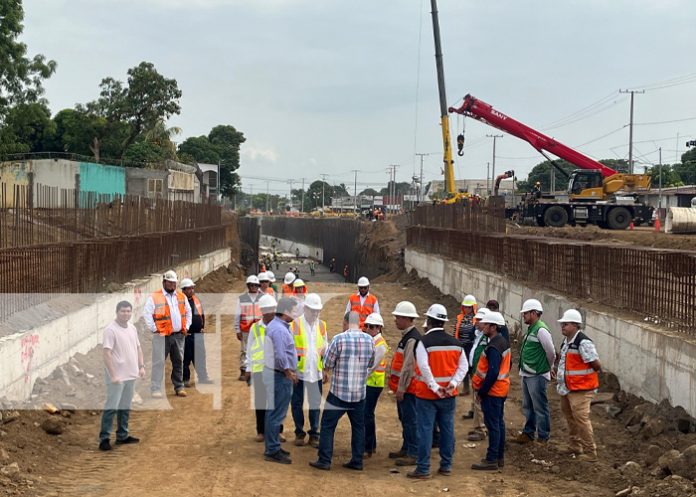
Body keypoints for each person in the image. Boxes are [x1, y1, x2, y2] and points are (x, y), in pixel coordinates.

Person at [408, 304, 469, 479]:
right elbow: (464, 366)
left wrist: (435, 387)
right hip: (449, 395)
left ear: (429, 320)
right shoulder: (456, 343)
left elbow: (424, 368)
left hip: (427, 395)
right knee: (447, 429)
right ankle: (446, 465)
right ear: (443, 322)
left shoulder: (423, 343)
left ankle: (423, 468)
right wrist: (453, 383)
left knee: (426, 431)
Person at [309, 311, 375, 471]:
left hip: (339, 393)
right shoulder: (369, 340)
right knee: (358, 427)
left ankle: (325, 460)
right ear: (359, 323)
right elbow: (370, 363)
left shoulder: (339, 339)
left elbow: (328, 363)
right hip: (359, 393)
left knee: (327, 425)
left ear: (345, 322)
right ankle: (357, 461)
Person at [555, 309, 601, 462]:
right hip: (568, 388)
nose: (562, 326)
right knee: (570, 417)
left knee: (581, 418)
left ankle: (590, 451)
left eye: (565, 324)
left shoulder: (583, 342)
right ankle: (575, 445)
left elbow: (596, 364)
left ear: (575, 325)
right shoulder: (567, 341)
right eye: (562, 324)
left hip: (581, 389)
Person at [99, 301, 144, 451]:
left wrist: (141, 366)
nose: (126, 314)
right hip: (117, 377)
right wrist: (113, 375)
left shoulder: (132, 328)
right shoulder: (110, 330)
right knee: (111, 407)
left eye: (128, 311)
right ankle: (104, 438)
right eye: (123, 311)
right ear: (117, 312)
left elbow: (138, 348)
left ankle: (122, 435)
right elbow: (107, 353)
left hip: (131, 374)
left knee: (125, 406)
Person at [471, 311, 511, 471]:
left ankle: (492, 459)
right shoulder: (502, 342)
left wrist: (482, 392)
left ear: (493, 327)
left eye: (486, 324)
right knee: (498, 424)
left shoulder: (494, 346)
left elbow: (493, 372)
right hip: (500, 390)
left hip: (492, 392)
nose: (483, 326)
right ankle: (498, 457)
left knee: (493, 425)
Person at [144, 270, 192, 398]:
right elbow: (147, 314)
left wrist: (186, 326)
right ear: (164, 282)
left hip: (178, 335)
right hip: (161, 336)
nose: (172, 285)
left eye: (174, 283)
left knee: (178, 361)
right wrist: (154, 329)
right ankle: (156, 388)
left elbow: (188, 312)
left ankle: (179, 386)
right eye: (169, 283)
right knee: (158, 362)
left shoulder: (181, 297)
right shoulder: (155, 297)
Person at [244, 295, 285, 443]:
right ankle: (261, 431)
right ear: (263, 311)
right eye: (269, 310)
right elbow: (249, 349)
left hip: (276, 370)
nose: (272, 313)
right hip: (259, 369)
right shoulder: (255, 328)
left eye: (273, 310)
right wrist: (248, 368)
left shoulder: (280, 327)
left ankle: (278, 431)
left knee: (277, 402)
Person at [263, 298, 299, 464]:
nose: (295, 313)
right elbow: (280, 355)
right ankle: (272, 449)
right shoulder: (279, 330)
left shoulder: (278, 326)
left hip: (276, 374)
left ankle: (273, 445)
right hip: (279, 375)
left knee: (274, 411)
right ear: (285, 312)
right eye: (293, 310)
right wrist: (288, 372)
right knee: (276, 413)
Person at [515, 299, 556, 444]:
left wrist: (549, 367)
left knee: (540, 407)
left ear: (534, 313)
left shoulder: (541, 330)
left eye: (525, 313)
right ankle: (528, 433)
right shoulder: (532, 328)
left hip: (537, 375)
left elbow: (551, 352)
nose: (523, 316)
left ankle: (543, 437)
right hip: (527, 373)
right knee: (528, 406)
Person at [290, 293, 327, 448]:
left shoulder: (322, 325)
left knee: (315, 404)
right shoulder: (295, 324)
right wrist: (291, 371)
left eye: (317, 310)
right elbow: (289, 349)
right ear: (305, 308)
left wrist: (325, 368)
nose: (315, 313)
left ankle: (314, 434)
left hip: (316, 372)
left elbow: (325, 347)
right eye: (313, 310)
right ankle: (299, 432)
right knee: (297, 404)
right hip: (299, 372)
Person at [388, 301, 422, 466]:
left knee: (410, 420)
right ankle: (407, 447)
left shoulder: (412, 339)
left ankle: (413, 452)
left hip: (409, 389)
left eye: (398, 317)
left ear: (407, 318)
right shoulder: (408, 337)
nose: (395, 320)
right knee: (406, 419)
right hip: (406, 388)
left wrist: (401, 388)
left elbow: (408, 367)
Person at [363, 312, 389, 458]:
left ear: (379, 328)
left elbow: (371, 367)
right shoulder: (372, 341)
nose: (368, 328)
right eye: (367, 326)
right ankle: (370, 446)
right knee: (367, 414)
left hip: (373, 384)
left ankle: (368, 447)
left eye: (371, 326)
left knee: (367, 414)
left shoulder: (380, 345)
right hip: (371, 383)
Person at [181, 278, 212, 387]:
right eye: (189, 288)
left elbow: (201, 314)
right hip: (186, 335)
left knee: (200, 357)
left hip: (198, 334)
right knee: (186, 358)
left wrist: (202, 326)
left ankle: (203, 377)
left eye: (192, 288)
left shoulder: (196, 300)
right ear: (183, 290)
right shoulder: (180, 302)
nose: (192, 290)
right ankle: (185, 379)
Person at [466, 308, 489, 440]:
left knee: (479, 402)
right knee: (476, 402)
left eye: (480, 320)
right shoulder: (478, 335)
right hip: (475, 373)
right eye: (477, 320)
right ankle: (478, 427)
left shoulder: (487, 338)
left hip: (481, 376)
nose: (477, 322)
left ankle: (481, 430)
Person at [235, 275, 263, 382]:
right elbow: (237, 315)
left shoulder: (262, 297)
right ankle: (243, 370)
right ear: (248, 286)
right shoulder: (242, 299)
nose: (254, 287)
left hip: (259, 329)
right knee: (245, 350)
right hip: (246, 329)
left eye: (256, 285)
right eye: (252, 285)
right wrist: (237, 330)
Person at [453, 295, 477, 396]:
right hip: (461, 346)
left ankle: (475, 387)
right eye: (465, 307)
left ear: (473, 307)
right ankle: (466, 388)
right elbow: (455, 331)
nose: (467, 309)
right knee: (463, 366)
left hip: (471, 346)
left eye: (469, 307)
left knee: (471, 367)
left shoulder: (476, 319)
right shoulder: (459, 318)